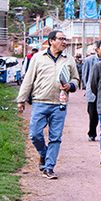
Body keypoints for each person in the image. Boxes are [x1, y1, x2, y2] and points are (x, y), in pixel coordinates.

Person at [15, 30, 80, 179]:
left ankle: (49, 167)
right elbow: (28, 80)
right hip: (40, 102)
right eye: (61, 39)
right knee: (34, 134)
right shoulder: (38, 58)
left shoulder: (69, 60)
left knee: (55, 137)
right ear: (51, 41)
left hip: (60, 103)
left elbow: (76, 79)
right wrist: (21, 100)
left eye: (65, 39)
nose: (64, 42)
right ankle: (44, 154)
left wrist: (71, 85)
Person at [82, 39, 101, 142]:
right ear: (97, 49)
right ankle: (92, 133)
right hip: (93, 92)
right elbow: (85, 75)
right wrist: (88, 87)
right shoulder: (89, 60)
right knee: (92, 114)